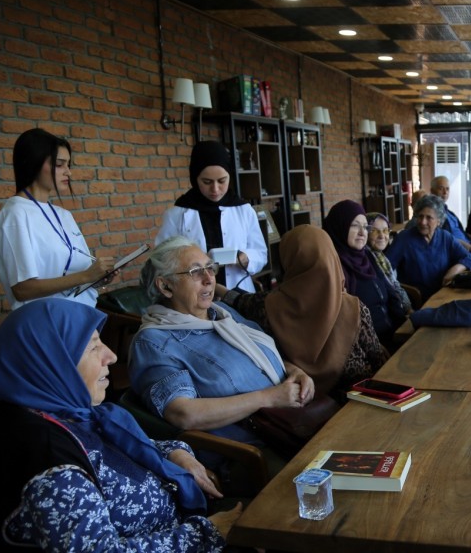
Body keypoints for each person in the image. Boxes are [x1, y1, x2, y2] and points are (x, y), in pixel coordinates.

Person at [0, 299, 233, 553]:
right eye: (93, 347)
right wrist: (212, 531)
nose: (111, 356)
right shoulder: (46, 462)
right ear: (53, 360)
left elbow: (128, 450)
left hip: (187, 531)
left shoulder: (64, 409)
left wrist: (175, 452)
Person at [128, 237, 315, 456]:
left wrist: (295, 371)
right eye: (195, 272)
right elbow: (183, 413)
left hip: (291, 424)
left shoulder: (222, 313)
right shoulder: (154, 342)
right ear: (165, 286)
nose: (209, 279)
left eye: (210, 268)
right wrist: (269, 398)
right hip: (251, 452)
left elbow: (257, 357)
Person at [219, 225, 389, 398]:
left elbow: (237, 300)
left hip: (303, 405)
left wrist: (215, 287)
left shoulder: (266, 306)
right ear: (331, 257)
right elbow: (379, 361)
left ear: (288, 261)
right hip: (360, 402)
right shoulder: (355, 308)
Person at [0, 128, 117, 309]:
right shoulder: (15, 214)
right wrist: (87, 276)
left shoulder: (64, 215)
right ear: (34, 163)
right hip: (48, 322)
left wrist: (97, 277)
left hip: (82, 316)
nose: (69, 172)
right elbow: (23, 289)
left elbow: (77, 278)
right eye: (59, 164)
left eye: (68, 165)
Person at [155, 141, 267, 293]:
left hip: (238, 291)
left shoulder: (244, 210)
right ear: (195, 178)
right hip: (194, 296)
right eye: (207, 182)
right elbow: (161, 259)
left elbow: (260, 253)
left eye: (222, 181)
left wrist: (246, 258)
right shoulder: (177, 214)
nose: (215, 189)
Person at [323, 200, 408, 346]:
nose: (363, 233)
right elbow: (344, 327)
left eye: (365, 227)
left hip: (394, 333)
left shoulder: (367, 257)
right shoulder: (334, 267)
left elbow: (391, 294)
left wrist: (406, 325)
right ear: (340, 227)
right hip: (370, 348)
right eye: (355, 226)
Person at [387, 194, 471, 300]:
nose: (423, 222)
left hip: (445, 294)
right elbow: (385, 269)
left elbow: (470, 258)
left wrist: (455, 270)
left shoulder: (445, 237)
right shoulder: (404, 238)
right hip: (417, 300)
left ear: (438, 221)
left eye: (429, 218)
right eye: (420, 216)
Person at [367, 211, 413, 313]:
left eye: (385, 230)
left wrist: (408, 309)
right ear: (365, 232)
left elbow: (394, 285)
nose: (382, 236)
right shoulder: (367, 260)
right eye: (375, 231)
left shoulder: (381, 257)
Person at [430, 175, 471, 252]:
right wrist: (466, 246)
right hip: (457, 251)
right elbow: (440, 238)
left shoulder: (449, 212)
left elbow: (461, 232)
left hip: (470, 246)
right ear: (432, 191)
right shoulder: (432, 212)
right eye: (441, 188)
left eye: (447, 189)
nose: (445, 192)